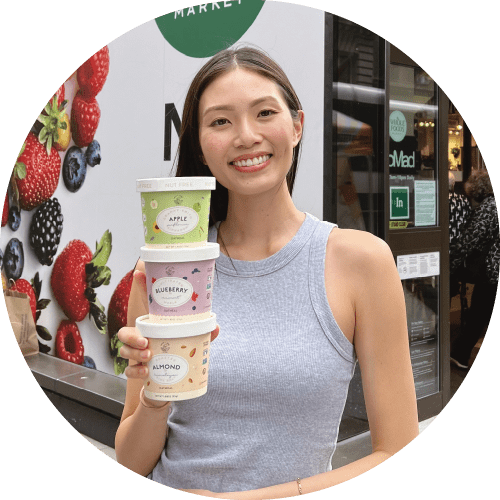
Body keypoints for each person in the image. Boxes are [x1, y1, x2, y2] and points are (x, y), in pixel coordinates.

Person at [115, 46, 419, 498]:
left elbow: (396, 453)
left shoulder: (361, 262)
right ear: (198, 142)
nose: (245, 136)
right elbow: (131, 461)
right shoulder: (164, 270)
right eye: (220, 121)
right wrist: (155, 400)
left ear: (296, 126)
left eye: (264, 113)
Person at [449, 169, 500, 369]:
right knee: (481, 313)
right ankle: (460, 353)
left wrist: (451, 265)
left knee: (479, 313)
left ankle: (459, 353)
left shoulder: (489, 208)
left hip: (491, 272)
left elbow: (469, 241)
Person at [448, 171, 472, 300]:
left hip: (444, 249)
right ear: (453, 185)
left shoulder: (438, 199)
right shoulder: (463, 200)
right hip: (459, 249)